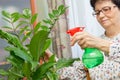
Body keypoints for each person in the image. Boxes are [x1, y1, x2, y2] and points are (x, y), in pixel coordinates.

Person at [56, 0, 120, 80]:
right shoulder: (95, 41)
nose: (101, 15)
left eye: (106, 9)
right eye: (97, 12)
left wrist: (100, 44)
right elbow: (78, 73)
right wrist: (52, 63)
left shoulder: (96, 42)